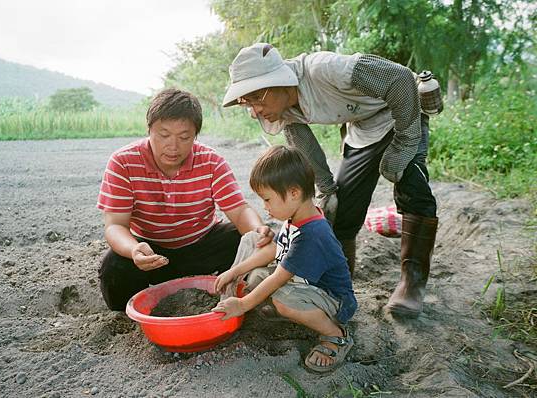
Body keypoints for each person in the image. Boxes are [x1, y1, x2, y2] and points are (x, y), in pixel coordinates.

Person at [222, 43, 440, 318]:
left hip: (403, 112)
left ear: (276, 83)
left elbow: (399, 78)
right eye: (246, 103)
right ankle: (339, 284)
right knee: (342, 209)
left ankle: (412, 283)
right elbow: (305, 147)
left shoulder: (328, 71)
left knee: (411, 184)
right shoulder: (283, 110)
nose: (253, 111)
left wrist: (406, 141)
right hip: (364, 130)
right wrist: (326, 188)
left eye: (256, 99)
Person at [97, 88, 273, 311]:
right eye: (164, 135)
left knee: (242, 237)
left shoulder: (211, 162)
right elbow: (115, 226)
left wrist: (258, 230)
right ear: (149, 129)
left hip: (201, 247)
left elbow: (238, 210)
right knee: (115, 265)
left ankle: (233, 289)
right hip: (150, 252)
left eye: (184, 137)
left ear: (195, 135)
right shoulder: (122, 162)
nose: (173, 146)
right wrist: (134, 250)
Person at [212, 145, 357, 374]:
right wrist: (234, 272)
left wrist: (243, 305)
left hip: (334, 301)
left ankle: (335, 335)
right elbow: (273, 252)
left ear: (294, 193)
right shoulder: (296, 216)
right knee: (253, 244)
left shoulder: (313, 234)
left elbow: (280, 276)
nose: (265, 207)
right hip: (302, 286)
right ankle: (235, 295)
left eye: (268, 200)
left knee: (282, 297)